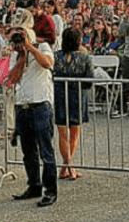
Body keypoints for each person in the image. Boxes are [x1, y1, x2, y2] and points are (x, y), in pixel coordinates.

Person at [8, 13, 57, 206]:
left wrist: (30, 48)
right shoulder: (15, 54)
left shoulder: (42, 47)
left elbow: (47, 64)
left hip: (40, 104)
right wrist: (22, 54)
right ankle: (34, 185)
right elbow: (13, 77)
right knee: (28, 151)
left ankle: (50, 190)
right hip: (23, 105)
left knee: (46, 151)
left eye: (22, 33)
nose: (19, 37)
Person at [52, 27, 93, 179]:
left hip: (60, 96)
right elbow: (89, 80)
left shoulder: (56, 56)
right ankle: (69, 166)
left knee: (62, 134)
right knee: (74, 134)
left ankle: (66, 166)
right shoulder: (85, 57)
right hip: (78, 96)